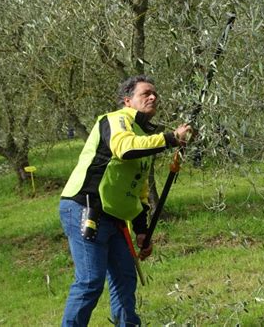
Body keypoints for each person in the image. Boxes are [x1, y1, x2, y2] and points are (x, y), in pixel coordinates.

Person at [59, 75, 191, 326]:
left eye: (155, 94)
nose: (153, 97)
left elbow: (139, 190)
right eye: (146, 93)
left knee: (125, 278)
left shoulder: (143, 134)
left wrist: (141, 230)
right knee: (90, 281)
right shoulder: (116, 119)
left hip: (115, 218)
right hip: (85, 207)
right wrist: (170, 138)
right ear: (127, 100)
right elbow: (124, 148)